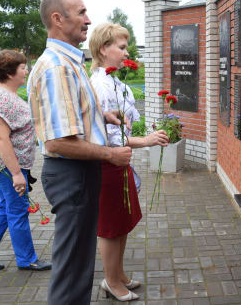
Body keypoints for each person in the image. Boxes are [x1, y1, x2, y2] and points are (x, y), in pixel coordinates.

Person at [28, 0, 132, 304]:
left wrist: (101, 116)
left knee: (79, 263)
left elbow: (69, 112)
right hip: (73, 173)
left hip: (77, 174)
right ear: (58, 19)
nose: (88, 20)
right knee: (72, 270)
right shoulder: (58, 67)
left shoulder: (68, 62)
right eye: (81, 12)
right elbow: (59, 141)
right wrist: (111, 154)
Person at [89, 23, 169, 302]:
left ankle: (118, 273)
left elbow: (124, 125)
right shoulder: (100, 84)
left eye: (127, 47)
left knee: (122, 224)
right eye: (121, 47)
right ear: (103, 49)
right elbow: (111, 137)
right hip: (108, 163)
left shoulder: (115, 82)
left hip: (119, 163)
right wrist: (146, 141)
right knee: (111, 228)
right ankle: (110, 281)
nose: (127, 53)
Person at [0, 50, 51, 272]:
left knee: (7, 206)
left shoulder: (2, 93)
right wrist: (16, 173)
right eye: (23, 67)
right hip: (8, 166)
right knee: (18, 210)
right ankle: (27, 259)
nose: (26, 71)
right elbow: (0, 137)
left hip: (7, 164)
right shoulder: (3, 99)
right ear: (9, 73)